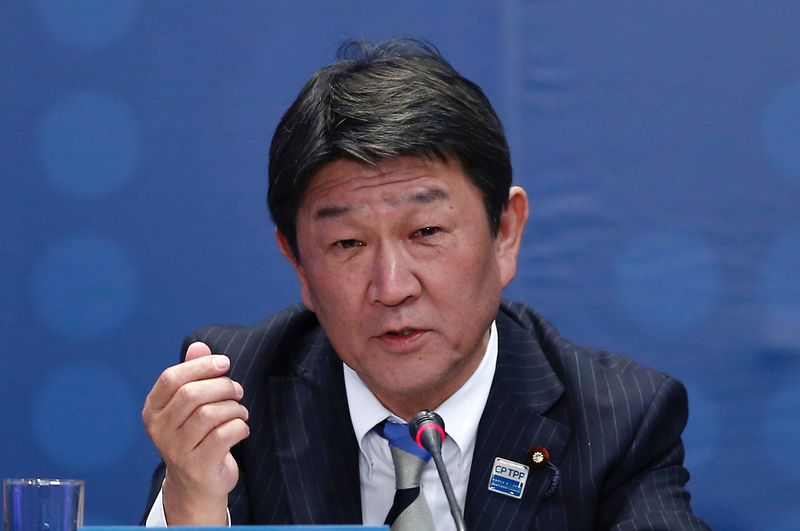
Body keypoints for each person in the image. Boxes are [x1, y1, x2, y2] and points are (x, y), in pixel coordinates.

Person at [141, 39, 709, 530]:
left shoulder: (616, 421)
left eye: (426, 231)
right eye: (348, 244)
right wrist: (192, 502)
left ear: (505, 232)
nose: (391, 287)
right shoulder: (237, 397)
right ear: (298, 265)